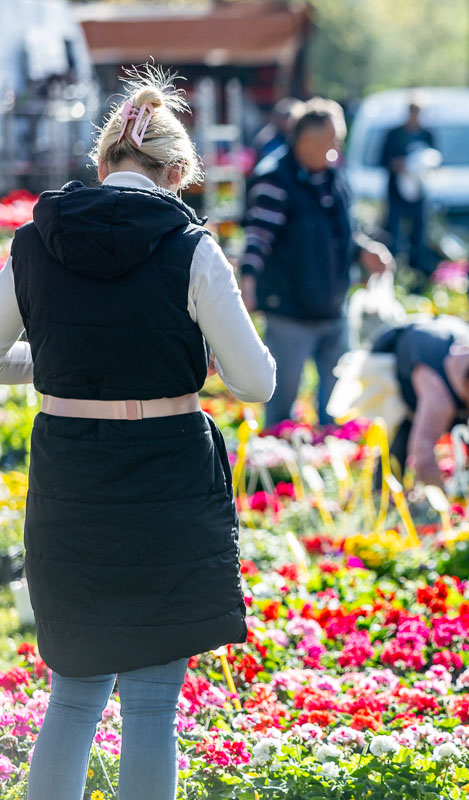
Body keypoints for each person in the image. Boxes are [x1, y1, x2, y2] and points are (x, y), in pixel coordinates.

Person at [2, 68, 275, 800]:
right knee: (153, 703)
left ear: (102, 163)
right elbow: (256, 383)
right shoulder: (192, 248)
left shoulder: (33, 243)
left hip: (71, 479)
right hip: (165, 479)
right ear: (179, 172)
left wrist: (57, 368)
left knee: (72, 697)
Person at [239, 97, 392, 429]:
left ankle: (332, 453)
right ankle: (275, 456)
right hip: (289, 312)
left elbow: (340, 232)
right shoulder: (274, 179)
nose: (338, 148)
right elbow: (257, 238)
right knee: (281, 405)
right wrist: (247, 283)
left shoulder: (335, 177)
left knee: (338, 407)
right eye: (333, 140)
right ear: (308, 141)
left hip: (333, 309)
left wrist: (364, 250)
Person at [367, 316, 469, 486]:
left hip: (436, 342)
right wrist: (441, 495)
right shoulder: (439, 398)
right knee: (401, 437)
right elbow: (422, 451)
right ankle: (382, 489)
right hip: (395, 355)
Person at [381, 100, 435, 273]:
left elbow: (434, 159)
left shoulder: (427, 134)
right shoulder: (394, 134)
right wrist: (398, 164)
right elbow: (382, 159)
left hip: (418, 190)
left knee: (418, 232)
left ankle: (416, 271)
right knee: (394, 230)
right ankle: (392, 267)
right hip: (396, 191)